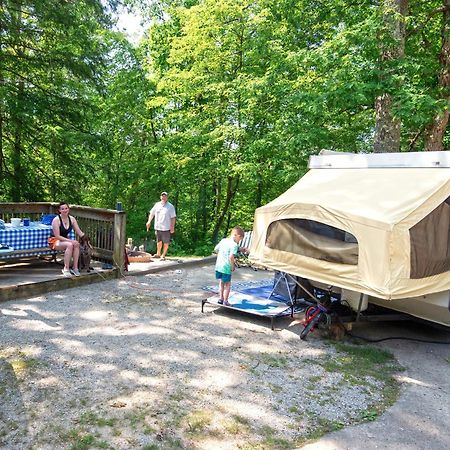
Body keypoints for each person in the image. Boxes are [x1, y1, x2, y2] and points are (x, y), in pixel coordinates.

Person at [48, 202, 85, 277]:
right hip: (54, 240)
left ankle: (75, 268)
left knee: (76, 244)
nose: (65, 210)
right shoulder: (56, 220)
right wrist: (71, 241)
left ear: (69, 209)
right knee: (70, 245)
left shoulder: (72, 219)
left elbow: (79, 231)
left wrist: (85, 238)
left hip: (65, 240)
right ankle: (66, 269)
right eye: (62, 209)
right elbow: (57, 236)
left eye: (66, 208)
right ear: (59, 210)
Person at [214, 226, 245, 305]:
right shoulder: (234, 245)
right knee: (227, 284)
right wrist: (232, 266)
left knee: (221, 282)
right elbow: (231, 256)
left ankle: (220, 298)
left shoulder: (224, 241)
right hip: (226, 267)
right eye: (240, 239)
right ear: (237, 235)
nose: (239, 241)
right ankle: (226, 301)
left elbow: (216, 249)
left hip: (219, 265)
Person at [146, 191, 176, 260]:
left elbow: (173, 218)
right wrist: (149, 221)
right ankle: (158, 253)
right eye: (162, 196)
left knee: (166, 242)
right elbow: (152, 213)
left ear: (167, 197)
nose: (163, 197)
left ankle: (163, 255)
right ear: (160, 197)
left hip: (166, 228)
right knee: (158, 241)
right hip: (157, 227)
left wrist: (172, 227)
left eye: (165, 196)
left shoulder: (170, 206)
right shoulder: (157, 205)